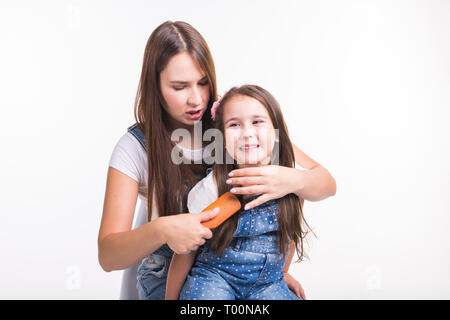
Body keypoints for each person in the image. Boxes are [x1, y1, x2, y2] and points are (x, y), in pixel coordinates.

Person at [98, 21, 336, 300]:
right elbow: (108, 256)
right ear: (155, 86)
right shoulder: (136, 147)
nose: (196, 99)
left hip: (249, 272)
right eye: (179, 87)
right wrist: (163, 229)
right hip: (171, 271)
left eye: (203, 82)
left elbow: (325, 183)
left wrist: (291, 180)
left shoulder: (234, 121)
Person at [165, 85, 320, 300]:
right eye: (234, 124)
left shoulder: (291, 182)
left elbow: (289, 234)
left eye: (257, 122)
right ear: (221, 139)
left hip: (267, 283)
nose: (247, 133)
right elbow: (185, 252)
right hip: (216, 277)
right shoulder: (212, 188)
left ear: (277, 134)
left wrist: (283, 272)